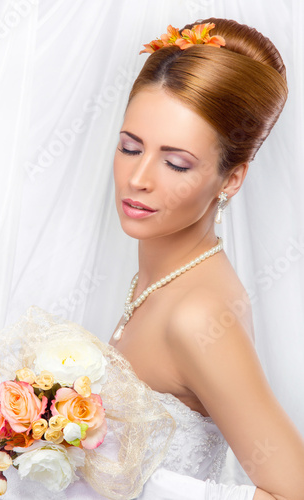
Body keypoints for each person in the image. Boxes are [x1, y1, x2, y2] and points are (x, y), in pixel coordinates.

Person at [104, 17, 304, 500]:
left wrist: (140, 487)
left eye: (176, 162)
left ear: (232, 179)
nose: (139, 178)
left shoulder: (199, 316)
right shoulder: (161, 279)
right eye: (130, 148)